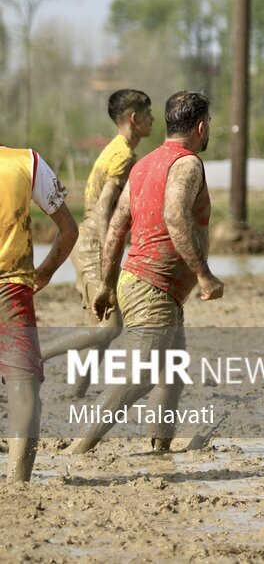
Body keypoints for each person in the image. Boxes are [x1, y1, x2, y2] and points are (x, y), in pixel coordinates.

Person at [69, 91, 224, 455]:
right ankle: (78, 450)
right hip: (152, 285)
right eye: (210, 124)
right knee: (140, 375)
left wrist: (108, 284)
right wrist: (203, 274)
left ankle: (160, 448)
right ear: (201, 127)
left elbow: (118, 226)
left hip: (150, 286)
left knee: (172, 372)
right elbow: (174, 216)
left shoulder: (145, 164)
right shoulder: (187, 165)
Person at [41, 89, 153, 397]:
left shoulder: (119, 149)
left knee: (102, 322)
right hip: (93, 240)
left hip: (90, 238)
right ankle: (38, 357)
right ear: (134, 118)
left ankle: (77, 391)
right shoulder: (123, 155)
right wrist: (109, 255)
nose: (153, 120)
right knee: (111, 326)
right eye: (149, 114)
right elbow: (104, 207)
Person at [0, 143, 78, 482]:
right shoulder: (25, 162)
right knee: (24, 386)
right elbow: (69, 230)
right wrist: (44, 273)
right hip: (11, 287)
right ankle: (18, 484)